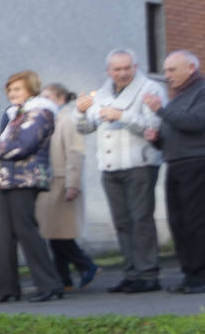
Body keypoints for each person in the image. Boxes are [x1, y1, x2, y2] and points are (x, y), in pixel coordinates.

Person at [0, 70, 63, 302]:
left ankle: (50, 285)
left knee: (26, 231)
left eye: (18, 89)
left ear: (31, 89)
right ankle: (7, 289)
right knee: (3, 235)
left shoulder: (40, 112)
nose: (12, 93)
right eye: (10, 89)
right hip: (8, 180)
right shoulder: (17, 115)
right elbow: (4, 147)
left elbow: (21, 146)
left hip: (25, 179)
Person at [77, 48, 163, 292]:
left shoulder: (151, 89)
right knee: (122, 223)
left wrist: (122, 115)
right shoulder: (102, 92)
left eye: (128, 68)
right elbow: (85, 128)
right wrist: (80, 112)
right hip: (110, 167)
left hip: (140, 164)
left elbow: (155, 126)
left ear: (135, 67)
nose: (123, 73)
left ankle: (148, 275)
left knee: (141, 220)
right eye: (118, 69)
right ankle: (131, 273)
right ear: (109, 71)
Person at [144, 50, 205, 293]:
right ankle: (189, 274)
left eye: (172, 70)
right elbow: (176, 127)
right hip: (176, 163)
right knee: (178, 222)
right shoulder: (179, 96)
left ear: (190, 68)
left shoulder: (201, 91)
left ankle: (201, 276)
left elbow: (195, 122)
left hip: (197, 163)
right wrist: (157, 139)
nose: (167, 75)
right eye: (166, 70)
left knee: (195, 222)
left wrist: (160, 110)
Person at [37, 85, 98, 291]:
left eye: (48, 97)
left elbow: (75, 152)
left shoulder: (68, 119)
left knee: (59, 233)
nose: (43, 101)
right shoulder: (50, 120)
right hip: (51, 181)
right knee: (54, 233)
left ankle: (86, 265)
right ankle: (64, 279)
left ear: (61, 99)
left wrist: (72, 184)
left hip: (62, 181)